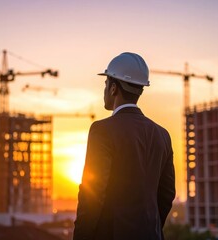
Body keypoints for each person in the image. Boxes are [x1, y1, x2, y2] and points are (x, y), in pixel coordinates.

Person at [73, 52, 175, 240]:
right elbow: (167, 194)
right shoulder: (163, 135)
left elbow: (92, 195)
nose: (104, 90)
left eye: (105, 84)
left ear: (113, 88)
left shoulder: (102, 130)